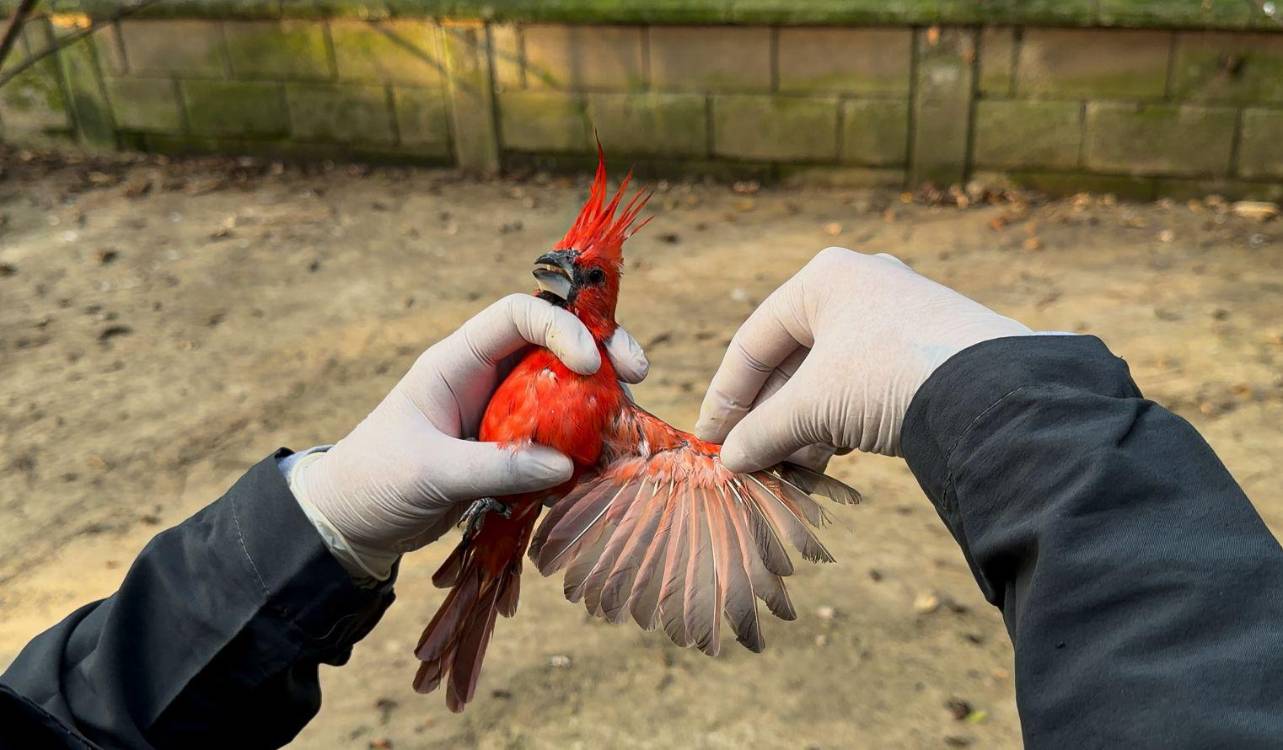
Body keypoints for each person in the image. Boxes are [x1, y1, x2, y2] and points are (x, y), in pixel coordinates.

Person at [2, 248, 1279, 748]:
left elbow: (705, 486)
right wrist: (330, 501)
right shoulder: (546, 365)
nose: (567, 282)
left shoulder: (618, 414)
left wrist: (309, 524)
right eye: (560, 270)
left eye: (586, 276)